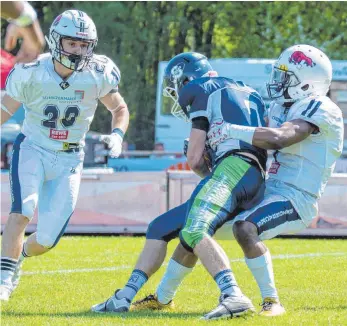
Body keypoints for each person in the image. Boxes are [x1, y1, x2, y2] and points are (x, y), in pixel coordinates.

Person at [132, 44, 343, 319]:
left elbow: (280, 137)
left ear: (306, 83)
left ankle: (271, 301)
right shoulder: (281, 106)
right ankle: (162, 298)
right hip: (268, 190)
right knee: (196, 227)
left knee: (245, 228)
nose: (278, 81)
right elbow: (257, 139)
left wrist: (229, 130)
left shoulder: (320, 107)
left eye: (286, 76)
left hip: (296, 196)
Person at [91, 52, 268, 317]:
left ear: (185, 79)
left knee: (194, 229)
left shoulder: (200, 88)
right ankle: (125, 296)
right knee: (160, 227)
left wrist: (207, 162)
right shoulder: (246, 89)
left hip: (233, 168)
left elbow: (195, 159)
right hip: (252, 175)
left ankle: (233, 295)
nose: (177, 95)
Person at [0, 10, 129, 301]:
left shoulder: (97, 73)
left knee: (45, 240)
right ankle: (4, 277)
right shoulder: (33, 71)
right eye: (73, 43)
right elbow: (4, 111)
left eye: (85, 45)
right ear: (57, 40)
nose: (79, 50)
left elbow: (119, 109)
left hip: (71, 159)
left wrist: (117, 135)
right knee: (23, 210)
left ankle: (16, 253)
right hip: (33, 148)